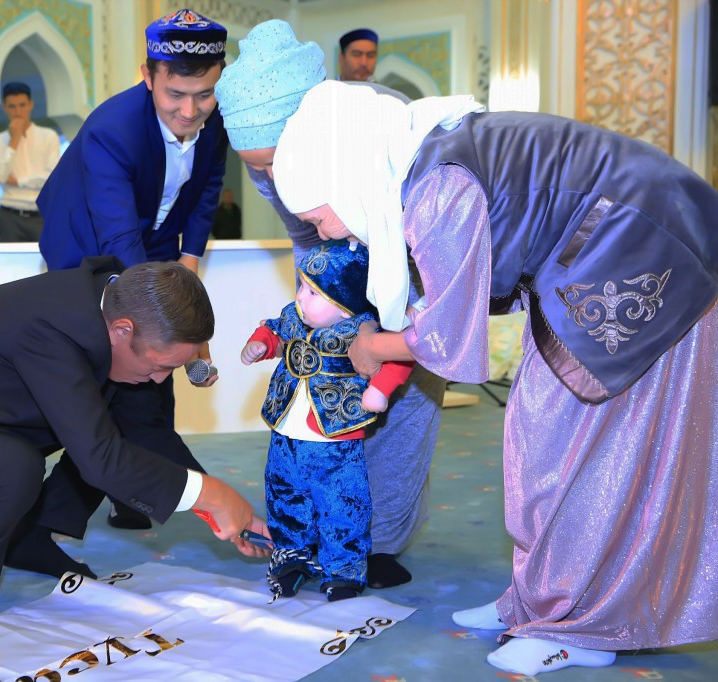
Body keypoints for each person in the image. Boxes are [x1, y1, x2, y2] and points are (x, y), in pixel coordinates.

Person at [272, 79, 718, 677]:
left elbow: (447, 337)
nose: (325, 235)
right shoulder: (416, 163)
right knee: (544, 441)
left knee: (565, 451)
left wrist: (373, 345)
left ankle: (578, 625)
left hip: (638, 244)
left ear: (342, 178)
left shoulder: (433, 188)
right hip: (606, 244)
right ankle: (537, 600)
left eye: (318, 218)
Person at [0, 258, 268, 620]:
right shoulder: (52, 330)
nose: (161, 380)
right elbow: (101, 459)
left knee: (105, 431)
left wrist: (222, 506)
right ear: (122, 330)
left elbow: (144, 432)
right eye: (160, 366)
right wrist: (211, 495)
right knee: (17, 467)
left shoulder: (115, 305)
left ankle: (28, 535)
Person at [213, 19, 441, 590]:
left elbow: (422, 247)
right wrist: (321, 298)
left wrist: (391, 333)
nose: (268, 177)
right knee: (322, 398)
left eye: (272, 161)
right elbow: (308, 232)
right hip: (328, 267)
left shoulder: (378, 127)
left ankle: (378, 542)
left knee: (402, 404)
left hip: (413, 266)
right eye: (256, 166)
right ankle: (312, 537)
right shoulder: (272, 160)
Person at [38, 8, 228, 530]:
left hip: (153, 242)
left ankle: (124, 501)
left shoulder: (215, 121)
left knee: (147, 380)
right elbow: (117, 239)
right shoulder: (112, 129)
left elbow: (206, 193)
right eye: (175, 94)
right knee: (122, 384)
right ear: (148, 76)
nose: (190, 111)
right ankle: (179, 498)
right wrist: (174, 317)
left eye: (205, 94)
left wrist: (188, 268)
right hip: (84, 249)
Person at [242, 241, 413, 602]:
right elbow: (274, 330)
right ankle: (291, 557)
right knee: (284, 495)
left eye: (313, 292)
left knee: (342, 503)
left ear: (345, 302)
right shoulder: (294, 315)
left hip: (336, 438)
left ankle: (344, 571)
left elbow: (400, 358)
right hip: (285, 431)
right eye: (302, 286)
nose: (300, 297)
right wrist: (261, 344)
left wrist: (379, 390)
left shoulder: (363, 331)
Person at [0, 81, 59, 243]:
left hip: (41, 213)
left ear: (30, 105)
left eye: (22, 105)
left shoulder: (48, 136)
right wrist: (14, 140)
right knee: (10, 259)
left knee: (48, 258)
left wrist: (19, 181)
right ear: (5, 107)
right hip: (9, 215)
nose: (18, 111)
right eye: (12, 106)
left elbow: (52, 178)